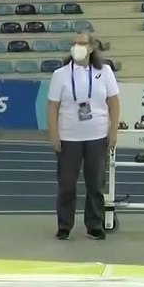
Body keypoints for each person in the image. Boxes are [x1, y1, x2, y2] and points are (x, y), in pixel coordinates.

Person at [46, 32, 120, 241]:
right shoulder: (60, 74)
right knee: (67, 184)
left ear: (91, 47)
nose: (77, 46)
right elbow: (52, 106)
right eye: (73, 43)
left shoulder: (104, 71)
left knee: (95, 184)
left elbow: (113, 102)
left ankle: (94, 225)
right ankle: (64, 225)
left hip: (97, 135)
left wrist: (113, 130)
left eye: (81, 43)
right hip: (69, 136)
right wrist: (54, 134)